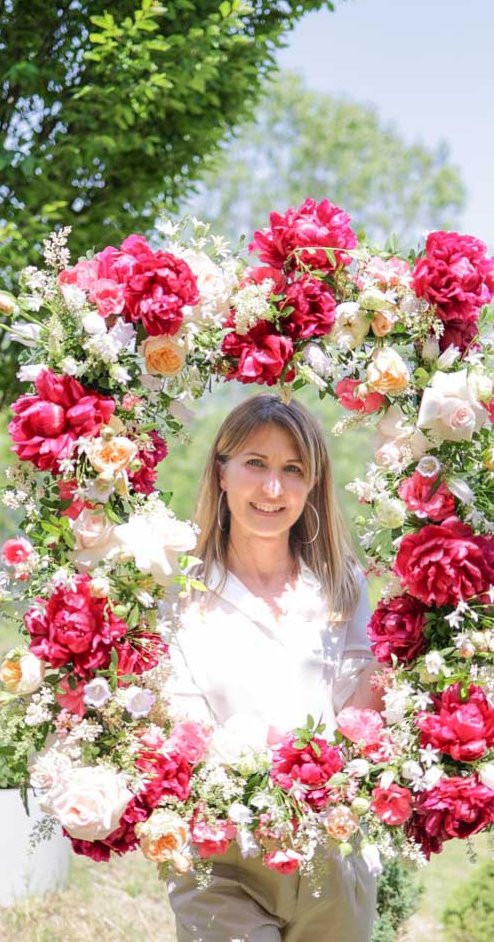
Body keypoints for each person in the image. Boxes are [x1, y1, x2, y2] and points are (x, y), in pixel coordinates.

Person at [159, 393, 383, 942]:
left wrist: (401, 657)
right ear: (221, 473)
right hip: (221, 856)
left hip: (329, 853)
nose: (272, 488)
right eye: (255, 464)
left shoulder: (342, 585)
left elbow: (360, 716)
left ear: (312, 486)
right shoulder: (180, 590)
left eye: (293, 470)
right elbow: (182, 725)